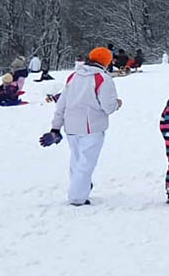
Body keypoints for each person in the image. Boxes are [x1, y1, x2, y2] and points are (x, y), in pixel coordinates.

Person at [40, 47, 122, 206]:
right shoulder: (103, 79)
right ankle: (77, 197)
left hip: (71, 127)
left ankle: (81, 188)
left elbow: (61, 104)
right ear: (107, 61)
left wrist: (55, 128)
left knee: (76, 161)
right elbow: (108, 107)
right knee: (86, 163)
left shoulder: (73, 76)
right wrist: (117, 103)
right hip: (92, 128)